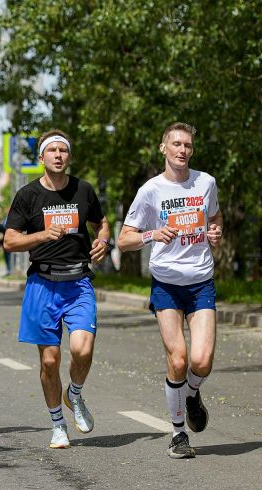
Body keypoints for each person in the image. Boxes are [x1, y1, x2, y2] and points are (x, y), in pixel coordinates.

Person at [117, 122, 222, 459]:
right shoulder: (150, 190)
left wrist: (215, 232)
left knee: (201, 361)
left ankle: (191, 394)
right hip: (166, 283)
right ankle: (178, 434)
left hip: (200, 280)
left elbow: (215, 218)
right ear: (163, 148)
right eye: (176, 144)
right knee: (178, 359)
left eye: (187, 145)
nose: (182, 150)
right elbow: (124, 240)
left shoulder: (206, 183)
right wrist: (152, 235)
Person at [3, 130, 109, 449]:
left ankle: (73, 394)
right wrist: (41, 236)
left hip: (78, 282)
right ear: (41, 158)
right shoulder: (27, 195)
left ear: (69, 157)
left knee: (82, 350)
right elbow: (9, 241)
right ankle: (58, 425)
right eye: (52, 151)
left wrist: (103, 240)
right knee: (49, 362)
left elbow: (101, 222)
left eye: (64, 150)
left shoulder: (83, 190)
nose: (58, 155)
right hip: (42, 284)